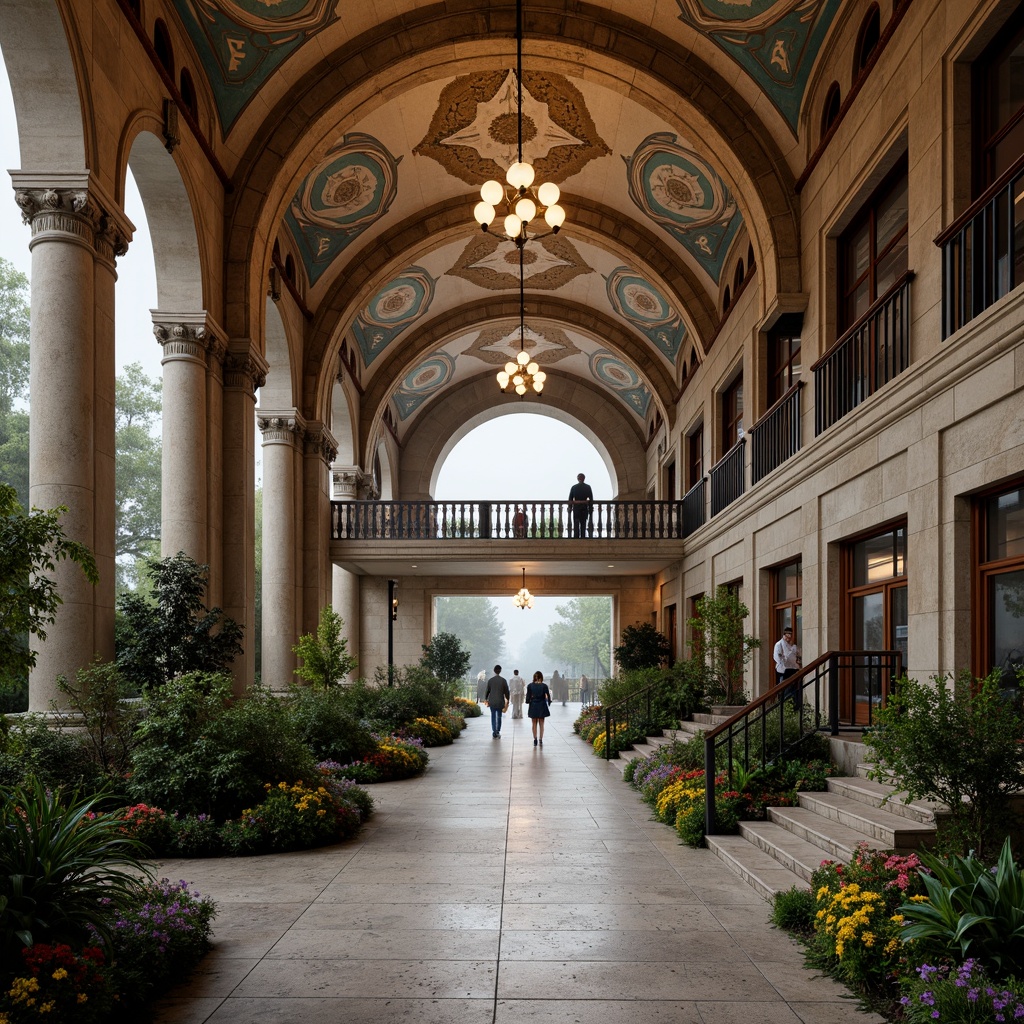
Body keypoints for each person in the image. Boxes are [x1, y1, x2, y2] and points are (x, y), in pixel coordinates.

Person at [773, 626, 802, 712]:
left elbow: (798, 656)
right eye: (787, 635)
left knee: (793, 690)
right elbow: (778, 658)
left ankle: (794, 708)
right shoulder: (779, 644)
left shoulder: (793, 646)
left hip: (793, 669)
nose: (789, 638)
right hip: (783, 670)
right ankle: (783, 708)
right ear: (784, 635)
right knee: (784, 690)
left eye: (790, 635)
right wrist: (785, 659)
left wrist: (798, 662)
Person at [526, 670, 551, 746]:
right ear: (541, 677)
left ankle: (535, 739)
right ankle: (541, 739)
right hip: (542, 705)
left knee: (534, 723)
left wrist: (528, 701)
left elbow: (528, 697)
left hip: (533, 705)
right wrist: (549, 702)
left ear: (534, 678)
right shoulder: (544, 686)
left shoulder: (530, 686)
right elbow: (548, 695)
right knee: (541, 723)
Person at [484, 665, 510, 738]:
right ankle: (497, 731)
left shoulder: (490, 680)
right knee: (499, 716)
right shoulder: (503, 680)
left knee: (493, 716)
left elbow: (487, 691)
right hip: (500, 701)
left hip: (492, 701)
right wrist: (508, 699)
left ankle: (494, 731)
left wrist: (486, 699)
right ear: (500, 670)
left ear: (494, 670)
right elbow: (506, 692)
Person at [567, 473, 594, 538]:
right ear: (584, 478)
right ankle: (582, 537)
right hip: (584, 508)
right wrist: (590, 508)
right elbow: (591, 499)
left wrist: (570, 508)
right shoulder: (588, 487)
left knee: (576, 524)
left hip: (576, 508)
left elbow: (570, 499)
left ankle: (576, 537)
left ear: (578, 479)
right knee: (583, 524)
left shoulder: (574, 487)